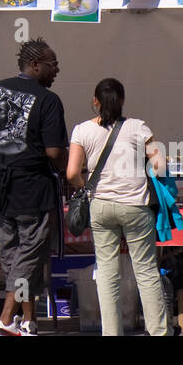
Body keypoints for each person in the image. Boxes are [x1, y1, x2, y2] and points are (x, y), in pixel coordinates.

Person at [0, 38, 68, 336]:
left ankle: (28, 320)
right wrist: (69, 166)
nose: (57, 70)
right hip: (33, 190)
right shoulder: (49, 101)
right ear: (36, 65)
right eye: (53, 65)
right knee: (28, 257)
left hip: (0, 189)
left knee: (14, 258)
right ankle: (6, 319)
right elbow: (53, 152)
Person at [67, 78, 169, 336]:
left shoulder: (81, 131)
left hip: (100, 206)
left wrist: (85, 189)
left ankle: (111, 332)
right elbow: (160, 165)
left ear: (95, 101)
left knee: (106, 272)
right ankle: (158, 331)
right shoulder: (138, 127)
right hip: (136, 206)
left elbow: (71, 173)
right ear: (122, 100)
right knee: (145, 270)